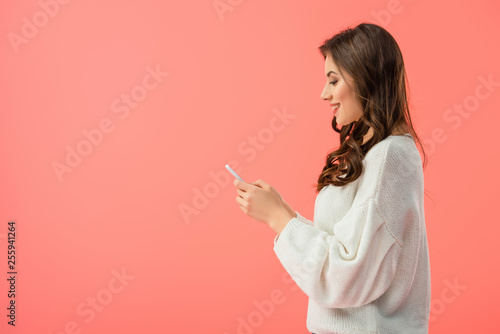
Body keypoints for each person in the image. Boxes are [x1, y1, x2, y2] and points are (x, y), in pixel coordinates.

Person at [232, 22, 431, 334]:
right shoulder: (377, 153)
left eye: (333, 81)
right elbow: (348, 248)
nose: (324, 94)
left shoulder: (389, 158)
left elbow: (347, 276)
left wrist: (278, 220)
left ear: (365, 78)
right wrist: (283, 211)